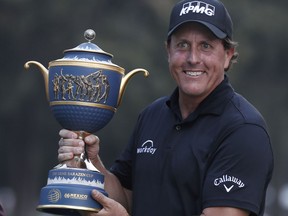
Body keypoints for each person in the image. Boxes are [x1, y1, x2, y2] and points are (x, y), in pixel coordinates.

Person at [58, 0, 274, 215]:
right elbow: (126, 199)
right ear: (168, 51)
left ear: (227, 54)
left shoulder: (244, 130)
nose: (193, 58)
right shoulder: (152, 115)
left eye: (205, 46)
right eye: (182, 45)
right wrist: (91, 164)